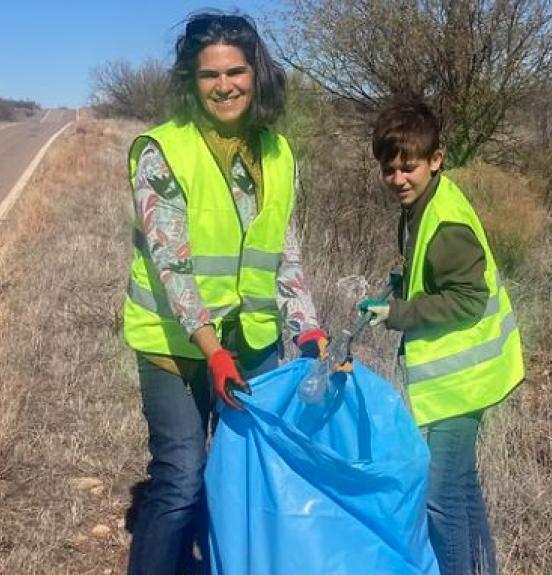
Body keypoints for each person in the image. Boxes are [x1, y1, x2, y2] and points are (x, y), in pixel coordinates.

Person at [122, 11, 328, 574]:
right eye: (209, 75)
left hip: (254, 340)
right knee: (182, 475)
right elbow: (174, 267)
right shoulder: (162, 150)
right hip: (178, 345)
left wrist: (305, 326)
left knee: (241, 473)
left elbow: (284, 251)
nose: (225, 86)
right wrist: (212, 350)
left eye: (236, 71)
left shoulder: (278, 153)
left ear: (257, 73)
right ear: (190, 79)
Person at [359, 99, 525, 575]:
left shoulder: (446, 221)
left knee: (440, 497)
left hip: (465, 380)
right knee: (462, 486)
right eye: (389, 170)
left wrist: (399, 313)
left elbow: (468, 299)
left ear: (436, 159)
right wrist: (402, 284)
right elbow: (434, 276)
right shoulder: (424, 204)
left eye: (408, 167)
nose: (398, 179)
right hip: (464, 378)